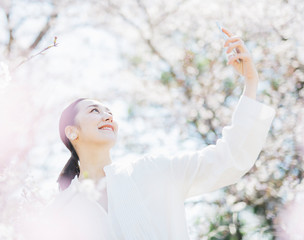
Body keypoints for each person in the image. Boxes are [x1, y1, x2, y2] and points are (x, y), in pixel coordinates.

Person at [44, 27, 276, 239]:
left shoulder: (153, 171)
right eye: (95, 111)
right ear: (72, 132)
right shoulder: (61, 209)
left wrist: (251, 83)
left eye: (109, 112)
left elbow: (228, 159)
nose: (108, 116)